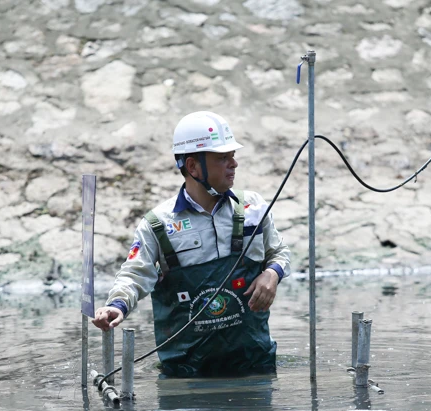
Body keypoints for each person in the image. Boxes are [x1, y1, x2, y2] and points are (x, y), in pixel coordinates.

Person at [92, 111, 291, 377]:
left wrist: (273, 273)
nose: (234, 164)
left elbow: (279, 252)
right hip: (186, 377)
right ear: (193, 167)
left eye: (232, 155)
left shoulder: (253, 207)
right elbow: (133, 275)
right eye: (223, 158)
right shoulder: (157, 225)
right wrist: (116, 305)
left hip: (256, 370)